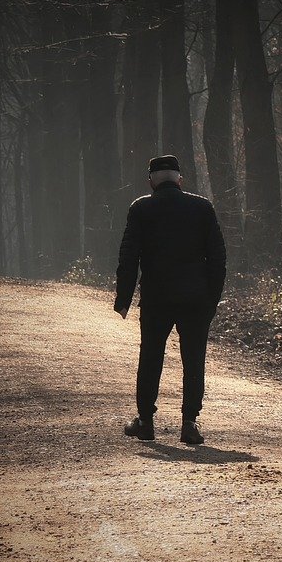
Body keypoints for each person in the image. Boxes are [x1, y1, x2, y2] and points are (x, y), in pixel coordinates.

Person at [115, 155, 227, 445]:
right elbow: (218, 258)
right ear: (179, 179)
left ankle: (145, 422)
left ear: (151, 180)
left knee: (151, 356)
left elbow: (129, 256)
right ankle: (189, 423)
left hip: (157, 296)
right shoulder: (202, 208)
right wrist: (211, 298)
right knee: (194, 359)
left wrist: (124, 298)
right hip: (195, 297)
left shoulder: (141, 208)